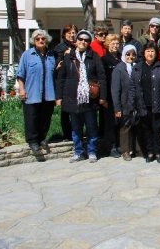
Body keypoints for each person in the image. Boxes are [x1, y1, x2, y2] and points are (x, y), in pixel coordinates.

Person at [56, 30, 107, 163]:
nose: (83, 42)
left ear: (89, 42)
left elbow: (102, 77)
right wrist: (59, 97)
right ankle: (78, 152)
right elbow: (61, 78)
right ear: (76, 41)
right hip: (73, 97)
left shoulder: (94, 57)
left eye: (86, 40)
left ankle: (92, 151)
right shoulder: (69, 57)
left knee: (91, 126)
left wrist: (102, 96)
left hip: (90, 99)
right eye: (80, 39)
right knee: (76, 128)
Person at [17, 29, 57, 160]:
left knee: (45, 117)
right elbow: (20, 74)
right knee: (32, 118)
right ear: (34, 41)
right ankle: (33, 141)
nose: (40, 41)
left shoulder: (51, 55)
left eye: (43, 39)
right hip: (32, 92)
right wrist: (22, 90)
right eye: (37, 39)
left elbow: (55, 73)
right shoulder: (27, 55)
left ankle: (42, 138)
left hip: (48, 93)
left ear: (47, 40)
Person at [134, 41, 160, 163]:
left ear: (156, 53)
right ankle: (150, 152)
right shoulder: (138, 67)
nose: (150, 54)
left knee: (158, 129)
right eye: (148, 51)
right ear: (144, 53)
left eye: (152, 51)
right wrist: (132, 103)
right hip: (143, 103)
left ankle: (159, 152)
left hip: (159, 103)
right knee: (147, 129)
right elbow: (132, 86)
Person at [111, 45, 138, 161]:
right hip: (124, 103)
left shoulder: (137, 67)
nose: (131, 57)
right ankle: (125, 151)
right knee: (125, 127)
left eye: (133, 54)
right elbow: (115, 90)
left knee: (137, 125)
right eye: (128, 54)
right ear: (124, 54)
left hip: (136, 103)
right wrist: (117, 108)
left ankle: (137, 149)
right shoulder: (119, 69)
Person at [53, 24, 78, 141]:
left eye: (74, 33)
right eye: (69, 33)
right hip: (64, 81)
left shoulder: (78, 45)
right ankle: (67, 134)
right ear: (64, 34)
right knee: (66, 110)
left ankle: (76, 131)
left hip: (76, 81)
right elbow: (55, 64)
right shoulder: (60, 47)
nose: (72, 35)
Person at [101, 33, 122, 158]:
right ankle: (111, 146)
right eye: (112, 43)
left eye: (117, 43)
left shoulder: (122, 58)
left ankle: (120, 144)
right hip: (109, 96)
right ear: (107, 45)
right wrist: (103, 97)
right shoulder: (103, 60)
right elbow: (102, 79)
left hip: (121, 96)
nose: (115, 45)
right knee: (110, 123)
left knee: (120, 122)